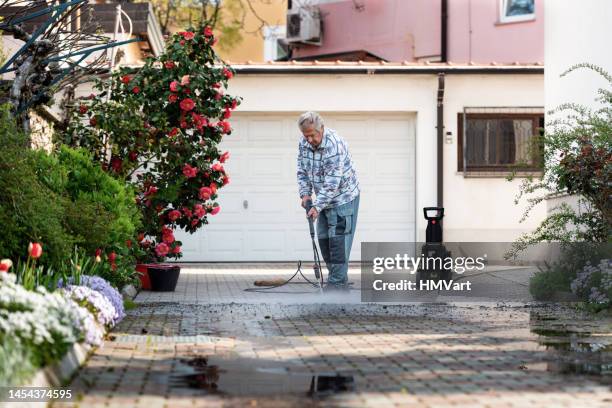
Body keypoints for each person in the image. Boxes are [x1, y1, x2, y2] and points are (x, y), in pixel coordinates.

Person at [296, 111, 360, 292]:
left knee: (338, 246)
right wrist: (305, 195)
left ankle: (337, 289)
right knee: (325, 242)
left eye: (312, 135)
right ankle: (339, 283)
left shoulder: (334, 145)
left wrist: (316, 206)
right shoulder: (304, 143)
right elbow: (302, 170)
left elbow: (333, 182)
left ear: (321, 129)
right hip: (323, 202)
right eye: (305, 135)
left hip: (343, 200)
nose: (309, 140)